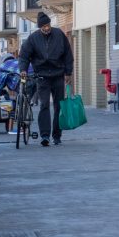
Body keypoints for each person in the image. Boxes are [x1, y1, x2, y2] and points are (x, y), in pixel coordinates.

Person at [18, 12, 74, 147]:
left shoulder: (59, 34)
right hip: (42, 76)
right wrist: (23, 69)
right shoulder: (33, 38)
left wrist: (68, 72)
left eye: (48, 25)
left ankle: (57, 135)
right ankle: (45, 135)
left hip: (58, 74)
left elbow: (68, 54)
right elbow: (24, 56)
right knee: (44, 105)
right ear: (39, 27)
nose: (47, 28)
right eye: (43, 26)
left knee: (58, 105)